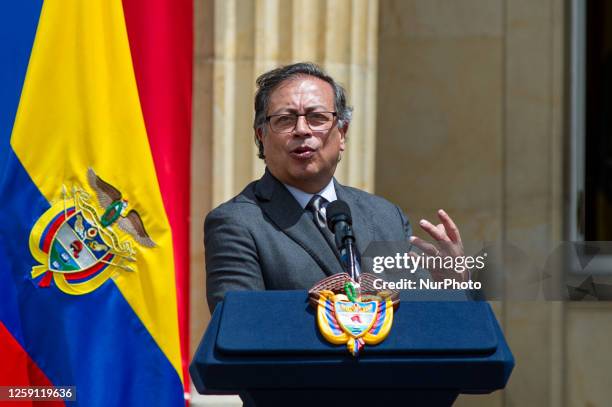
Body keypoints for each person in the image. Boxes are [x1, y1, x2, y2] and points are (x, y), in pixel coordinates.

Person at [204, 62, 465, 312]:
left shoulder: (385, 217)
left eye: (317, 117)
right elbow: (243, 329)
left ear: (342, 133)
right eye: (285, 119)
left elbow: (424, 322)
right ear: (261, 135)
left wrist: (452, 286)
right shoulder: (237, 223)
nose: (302, 130)